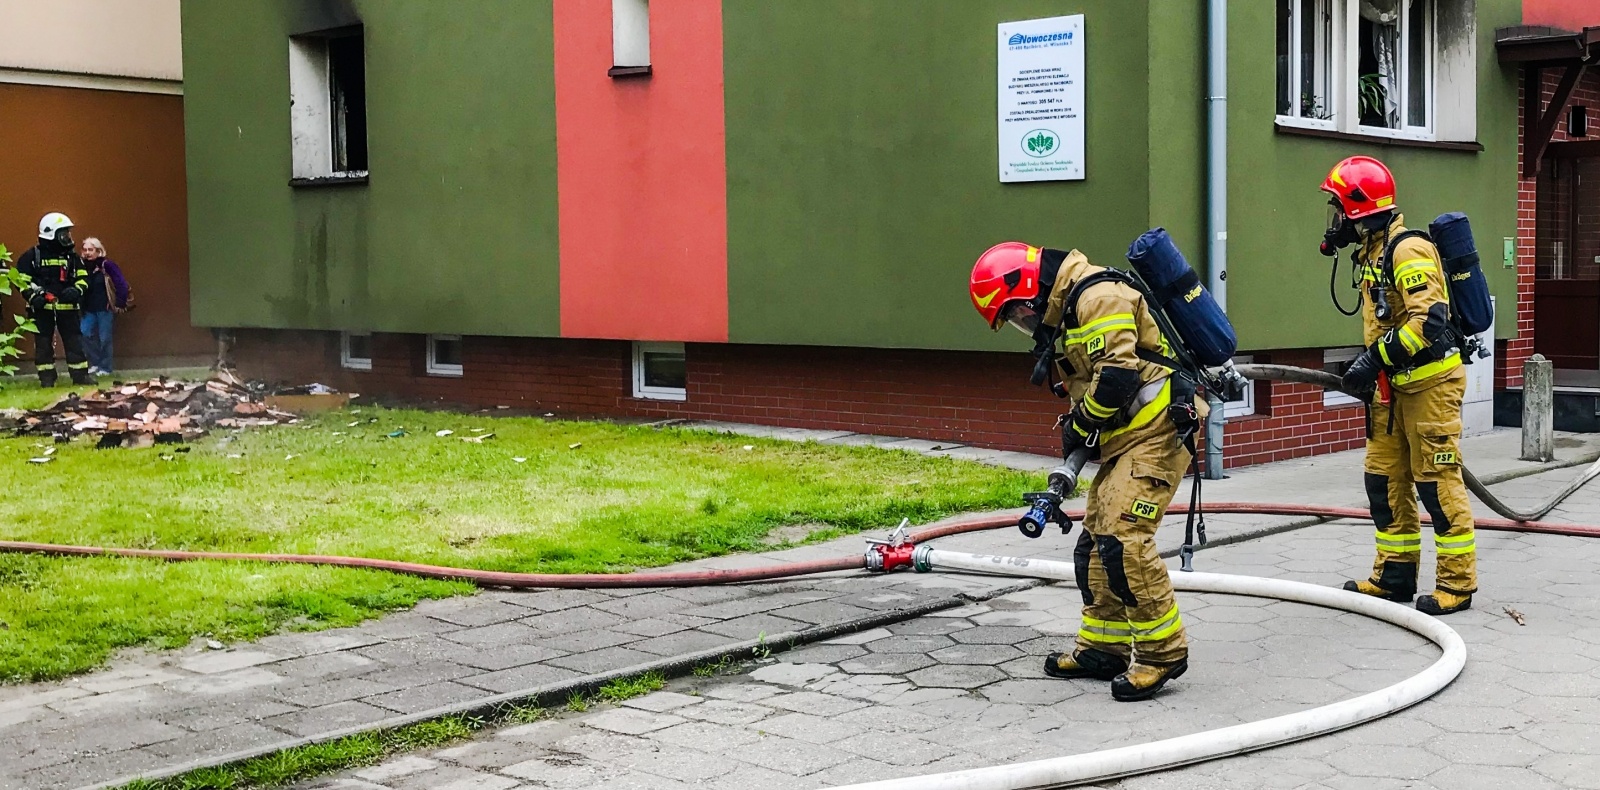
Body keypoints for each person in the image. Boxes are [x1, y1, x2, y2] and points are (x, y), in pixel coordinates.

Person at [969, 242, 1204, 701]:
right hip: (1129, 435)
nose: (1024, 323)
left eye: (1018, 313)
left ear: (1031, 289)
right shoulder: (1072, 307)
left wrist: (1080, 423)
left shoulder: (1098, 297)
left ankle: (1162, 653)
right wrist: (1082, 425)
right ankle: (1103, 648)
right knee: (1096, 541)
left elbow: (1116, 378)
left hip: (1159, 430)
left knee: (1124, 537)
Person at [1319, 155, 1476, 616]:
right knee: (1383, 480)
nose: (1334, 219)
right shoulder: (1373, 251)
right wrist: (1375, 366)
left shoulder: (1407, 250)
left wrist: (1374, 359)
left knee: (1436, 484)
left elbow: (1430, 320)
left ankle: (1457, 584)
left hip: (1431, 387)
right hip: (1391, 391)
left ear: (1358, 208)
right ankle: (1394, 576)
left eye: (1337, 208)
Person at [14, 213, 93, 387]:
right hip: (41, 310)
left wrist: (76, 290)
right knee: (43, 345)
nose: (68, 237)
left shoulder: (72, 258)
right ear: (51, 233)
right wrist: (33, 297)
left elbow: (84, 278)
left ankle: (80, 376)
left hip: (68, 309)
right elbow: (21, 281)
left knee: (74, 343)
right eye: (63, 233)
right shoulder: (32, 256)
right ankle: (47, 379)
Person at [78, 236, 130, 375]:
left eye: (91, 250)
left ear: (98, 251)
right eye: (85, 250)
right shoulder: (82, 267)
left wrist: (119, 303)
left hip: (105, 308)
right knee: (84, 332)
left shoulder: (107, 265)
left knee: (104, 338)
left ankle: (106, 367)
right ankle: (95, 362)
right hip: (89, 309)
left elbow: (121, 284)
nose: (87, 253)